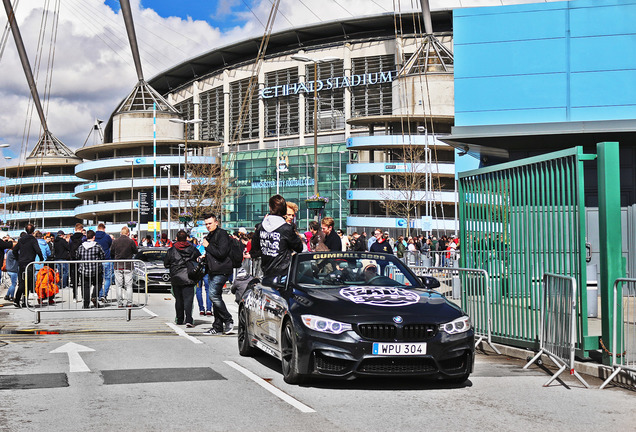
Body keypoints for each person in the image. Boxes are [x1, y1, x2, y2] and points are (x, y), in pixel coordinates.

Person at [251, 194, 304, 282]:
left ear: (270, 208)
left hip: (266, 271)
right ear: (284, 209)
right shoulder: (286, 228)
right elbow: (299, 247)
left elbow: (254, 250)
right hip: (283, 272)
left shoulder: (260, 227)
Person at [201, 214, 234, 335]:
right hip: (213, 270)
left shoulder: (222, 234)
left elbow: (221, 253)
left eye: (210, 223)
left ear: (216, 222)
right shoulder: (210, 235)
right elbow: (214, 254)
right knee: (216, 298)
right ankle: (217, 326)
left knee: (213, 295)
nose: (208, 226)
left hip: (222, 270)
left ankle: (228, 319)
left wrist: (208, 246)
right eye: (206, 224)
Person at [164, 230, 200, 328]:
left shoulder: (171, 250)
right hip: (189, 276)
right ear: (186, 238)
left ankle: (179, 319)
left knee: (179, 300)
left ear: (176, 238)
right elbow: (199, 258)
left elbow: (166, 264)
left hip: (176, 277)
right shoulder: (192, 249)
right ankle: (188, 319)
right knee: (188, 299)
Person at [12, 223, 44, 308]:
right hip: (29, 263)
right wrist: (41, 259)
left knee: (22, 282)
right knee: (27, 283)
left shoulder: (21, 239)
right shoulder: (33, 239)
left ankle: (21, 301)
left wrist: (18, 258)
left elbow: (14, 250)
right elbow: (38, 250)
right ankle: (19, 300)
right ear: (33, 231)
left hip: (22, 263)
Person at [75, 230, 105, 309]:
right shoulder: (97, 246)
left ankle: (85, 304)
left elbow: (77, 256)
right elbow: (102, 256)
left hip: (84, 270)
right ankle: (94, 296)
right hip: (96, 269)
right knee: (98, 283)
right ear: (94, 237)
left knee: (85, 287)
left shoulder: (81, 247)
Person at [111, 226, 138, 307]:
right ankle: (129, 303)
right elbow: (135, 251)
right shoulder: (131, 241)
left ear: (121, 233)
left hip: (118, 265)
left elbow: (111, 252)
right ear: (128, 233)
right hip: (128, 265)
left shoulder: (115, 241)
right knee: (128, 285)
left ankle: (119, 303)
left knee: (119, 285)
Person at [192, 237, 212, 317]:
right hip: (206, 270)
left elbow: (194, 257)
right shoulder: (210, 248)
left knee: (199, 290)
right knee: (207, 290)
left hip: (199, 270)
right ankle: (208, 309)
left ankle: (202, 309)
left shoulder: (198, 248)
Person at [95, 223, 113, 302]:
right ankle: (104, 295)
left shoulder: (94, 236)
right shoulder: (107, 237)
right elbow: (110, 245)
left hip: (97, 260)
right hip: (106, 259)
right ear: (104, 229)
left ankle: (100, 294)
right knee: (108, 278)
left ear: (98, 228)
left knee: (98, 278)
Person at [69, 223, 85, 301]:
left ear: (75, 229)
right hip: (81, 260)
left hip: (73, 260)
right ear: (81, 229)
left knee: (74, 279)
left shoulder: (71, 238)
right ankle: (83, 296)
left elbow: (69, 248)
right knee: (82, 279)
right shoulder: (83, 238)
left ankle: (75, 296)